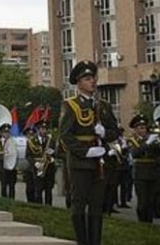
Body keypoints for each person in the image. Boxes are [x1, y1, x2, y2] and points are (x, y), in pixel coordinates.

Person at [59, 60, 118, 245]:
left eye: (93, 77)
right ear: (78, 83)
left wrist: (105, 133)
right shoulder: (70, 105)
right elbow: (65, 137)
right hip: (79, 162)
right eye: (87, 78)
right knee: (79, 205)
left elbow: (114, 131)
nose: (92, 81)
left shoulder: (103, 106)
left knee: (96, 206)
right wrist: (86, 151)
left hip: (99, 163)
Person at [126, 114, 159, 222]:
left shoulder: (153, 139)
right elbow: (135, 153)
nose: (143, 130)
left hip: (153, 173)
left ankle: (149, 223)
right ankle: (142, 222)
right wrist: (148, 143)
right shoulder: (132, 140)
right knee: (143, 201)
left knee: (151, 200)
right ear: (135, 129)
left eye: (144, 128)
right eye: (140, 128)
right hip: (140, 174)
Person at [26, 119, 57, 205]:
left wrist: (52, 159)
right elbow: (28, 155)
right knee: (38, 190)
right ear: (38, 129)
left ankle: (48, 209)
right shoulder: (31, 141)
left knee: (48, 191)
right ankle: (39, 209)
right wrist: (35, 163)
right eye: (42, 129)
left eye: (45, 129)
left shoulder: (51, 141)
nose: (44, 131)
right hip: (37, 168)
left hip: (49, 168)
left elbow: (55, 153)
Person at [0, 124, 17, 199]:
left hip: (12, 166)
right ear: (1, 133)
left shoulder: (14, 141)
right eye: (5, 132)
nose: (6, 134)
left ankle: (12, 201)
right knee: (3, 185)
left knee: (12, 185)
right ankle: (4, 200)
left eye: (8, 132)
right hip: (2, 166)